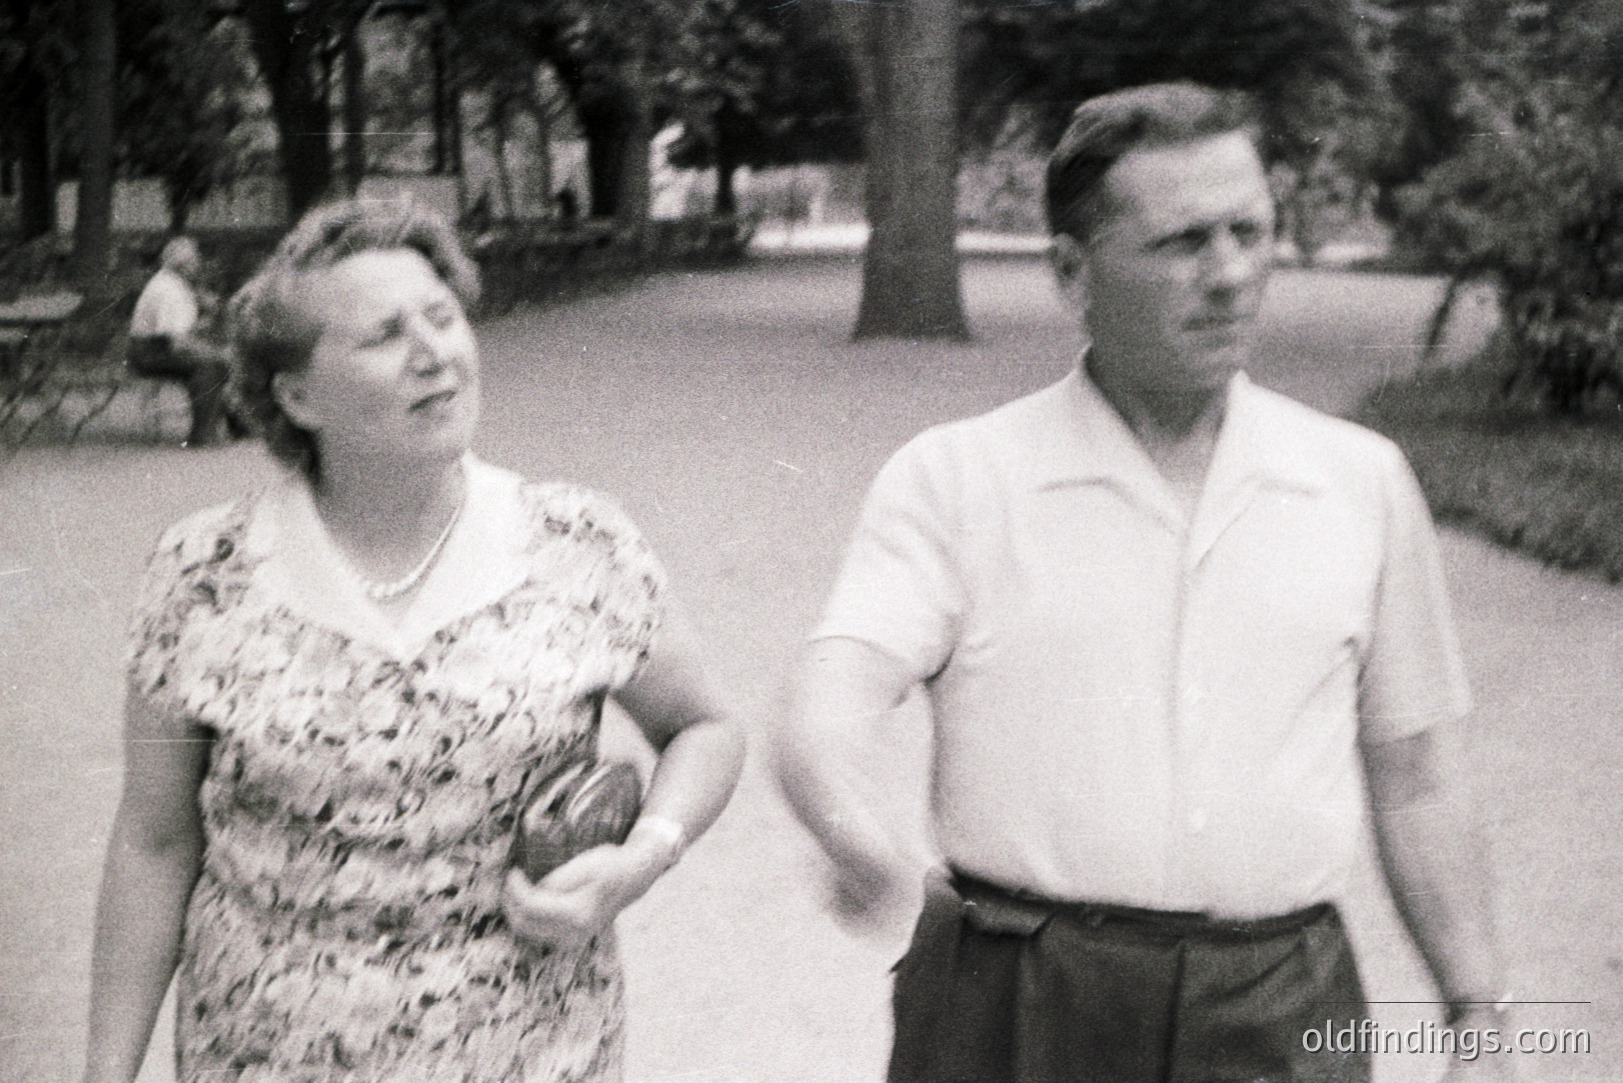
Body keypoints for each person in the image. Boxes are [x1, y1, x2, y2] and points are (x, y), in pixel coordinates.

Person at [778, 83, 1514, 1083]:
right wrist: (856, 837)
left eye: (1250, 232)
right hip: (1017, 996)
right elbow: (834, 697)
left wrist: (1479, 1011)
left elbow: (1419, 769)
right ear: (1073, 274)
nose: (1231, 274)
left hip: (1279, 1002)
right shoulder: (958, 480)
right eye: (1182, 243)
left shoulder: (1358, 482)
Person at [83, 199, 744, 1083]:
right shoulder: (201, 572)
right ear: (296, 395)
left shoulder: (579, 542)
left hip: (534, 1053)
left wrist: (644, 856)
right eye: (383, 335)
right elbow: (154, 839)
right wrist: (104, 1071)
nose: (435, 352)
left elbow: (706, 728)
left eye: (443, 317)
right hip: (262, 1054)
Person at [128, 236, 238, 446]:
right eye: (193, 262)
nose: (197, 266)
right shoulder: (169, 290)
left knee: (223, 361)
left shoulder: (175, 283)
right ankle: (202, 435)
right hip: (149, 353)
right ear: (181, 266)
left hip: (157, 347)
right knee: (211, 366)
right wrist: (217, 352)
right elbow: (179, 343)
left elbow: (182, 328)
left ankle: (236, 427)